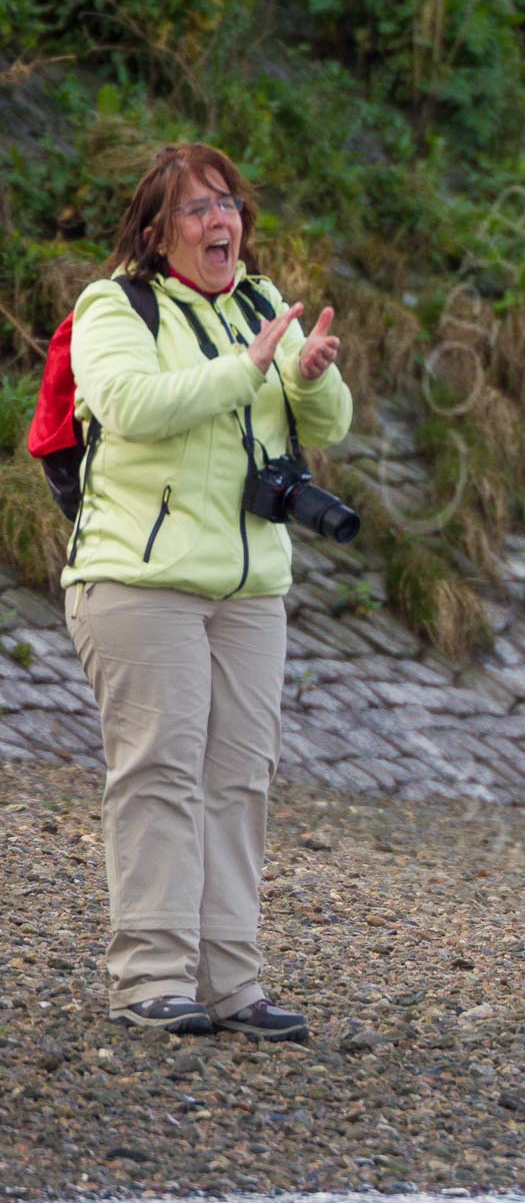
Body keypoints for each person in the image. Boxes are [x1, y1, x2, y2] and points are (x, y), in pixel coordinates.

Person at [62, 143, 353, 1038]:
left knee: (239, 779)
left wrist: (310, 376)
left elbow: (330, 424)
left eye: (227, 203)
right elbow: (131, 405)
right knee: (160, 772)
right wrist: (247, 370)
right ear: (157, 231)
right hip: (138, 581)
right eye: (196, 209)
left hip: (252, 587)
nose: (219, 220)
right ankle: (150, 974)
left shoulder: (264, 301)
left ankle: (234, 980)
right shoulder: (115, 304)